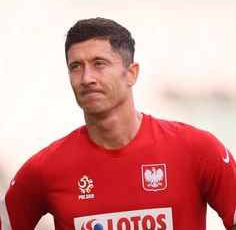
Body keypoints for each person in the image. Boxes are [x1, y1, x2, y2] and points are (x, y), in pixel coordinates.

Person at [0, 17, 235, 230]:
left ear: (131, 73)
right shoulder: (45, 168)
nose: (87, 78)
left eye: (99, 63)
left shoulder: (196, 149)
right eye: (76, 67)